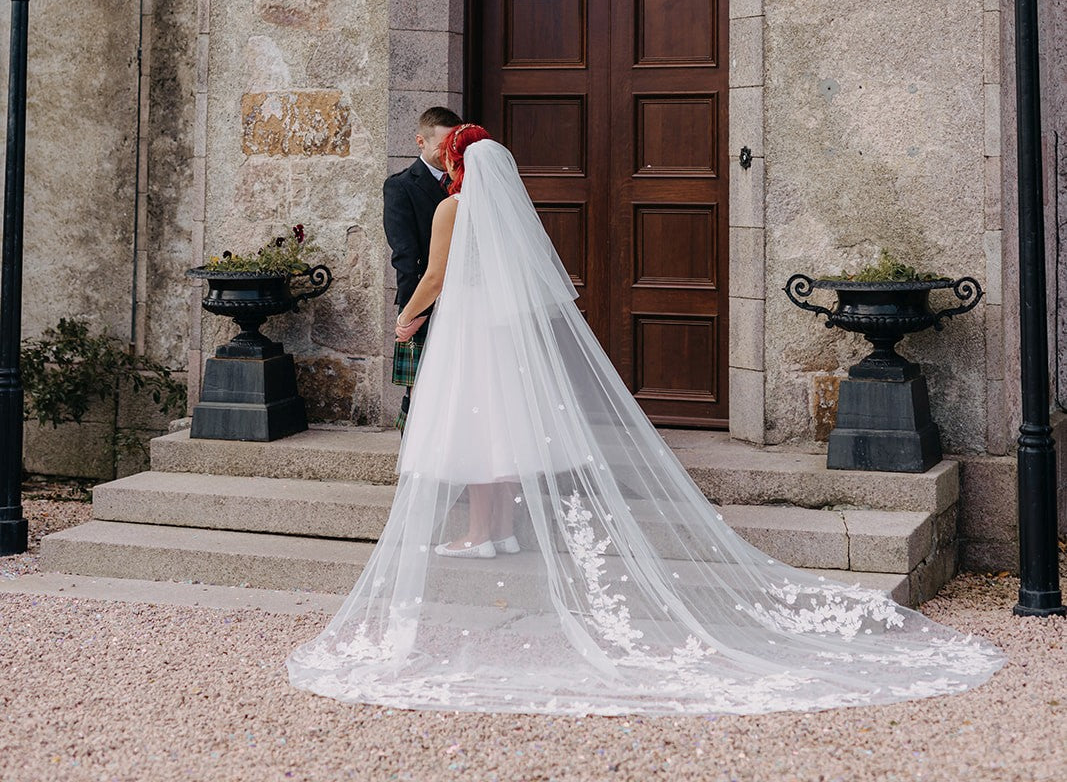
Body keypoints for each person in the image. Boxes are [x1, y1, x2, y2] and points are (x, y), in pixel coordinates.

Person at [289, 128, 1001, 715]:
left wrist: (407, 317)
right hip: (504, 333)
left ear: (455, 164)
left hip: (468, 331)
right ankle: (496, 528)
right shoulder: (510, 213)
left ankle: (482, 533)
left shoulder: (451, 211)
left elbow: (437, 277)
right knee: (502, 425)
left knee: (473, 428)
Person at [382, 105, 461, 431]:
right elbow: (405, 257)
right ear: (420, 141)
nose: (447, 155)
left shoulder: (470, 182)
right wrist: (414, 313)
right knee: (418, 392)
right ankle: (414, 469)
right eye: (441, 147)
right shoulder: (401, 186)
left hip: (465, 303)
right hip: (424, 298)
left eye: (453, 148)